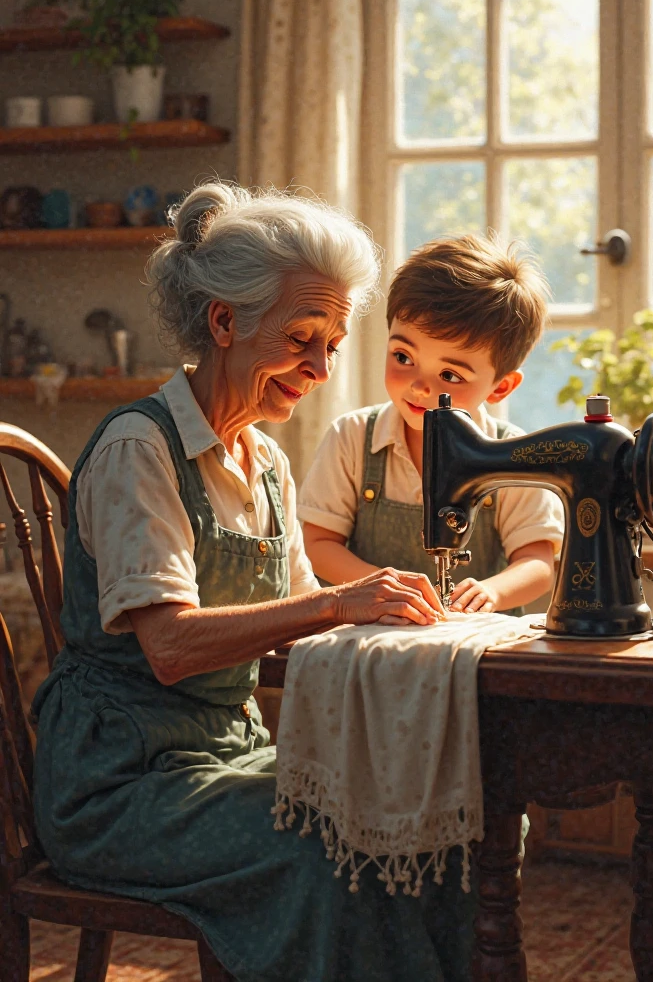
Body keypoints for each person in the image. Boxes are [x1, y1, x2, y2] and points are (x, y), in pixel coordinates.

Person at [32, 183, 478, 982]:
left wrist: (416, 646)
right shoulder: (141, 449)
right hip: (119, 786)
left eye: (333, 344)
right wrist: (342, 600)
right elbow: (170, 647)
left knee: (426, 818)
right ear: (223, 322)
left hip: (229, 756)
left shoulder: (265, 461)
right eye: (302, 337)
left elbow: (307, 630)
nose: (320, 368)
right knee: (326, 854)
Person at [299, 233, 564, 615]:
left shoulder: (513, 456)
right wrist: (385, 590)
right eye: (403, 357)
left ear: (501, 387)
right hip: (371, 635)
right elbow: (319, 545)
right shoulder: (352, 438)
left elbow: (537, 562)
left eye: (450, 375)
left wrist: (492, 593)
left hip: (474, 640)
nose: (420, 386)